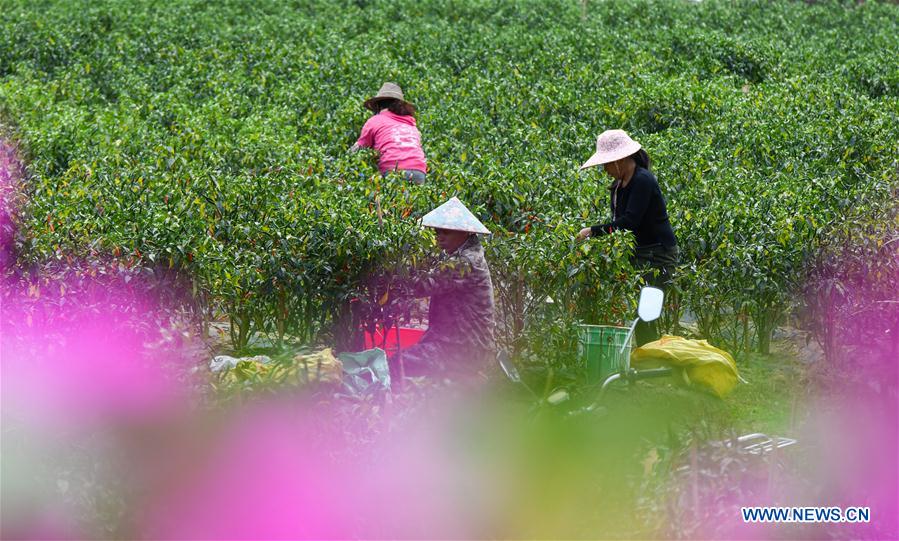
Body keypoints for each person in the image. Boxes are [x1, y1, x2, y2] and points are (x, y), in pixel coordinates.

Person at [575, 129, 679, 345]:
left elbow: (629, 222)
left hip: (658, 253)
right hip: (639, 252)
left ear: (620, 160)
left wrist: (592, 231)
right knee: (639, 309)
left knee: (646, 312)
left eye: (607, 164)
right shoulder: (618, 186)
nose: (605, 170)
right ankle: (646, 358)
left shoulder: (643, 180)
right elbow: (620, 223)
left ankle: (651, 362)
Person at [394, 197, 496, 381]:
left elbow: (420, 286)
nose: (439, 237)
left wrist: (393, 267)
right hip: (459, 343)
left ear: (465, 232)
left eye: (446, 232)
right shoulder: (463, 254)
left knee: (396, 366)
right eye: (437, 232)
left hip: (463, 348)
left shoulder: (465, 261)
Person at [349, 82, 428, 184]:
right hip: (419, 170)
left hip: (393, 169)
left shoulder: (375, 120)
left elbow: (358, 147)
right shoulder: (411, 124)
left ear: (378, 106)